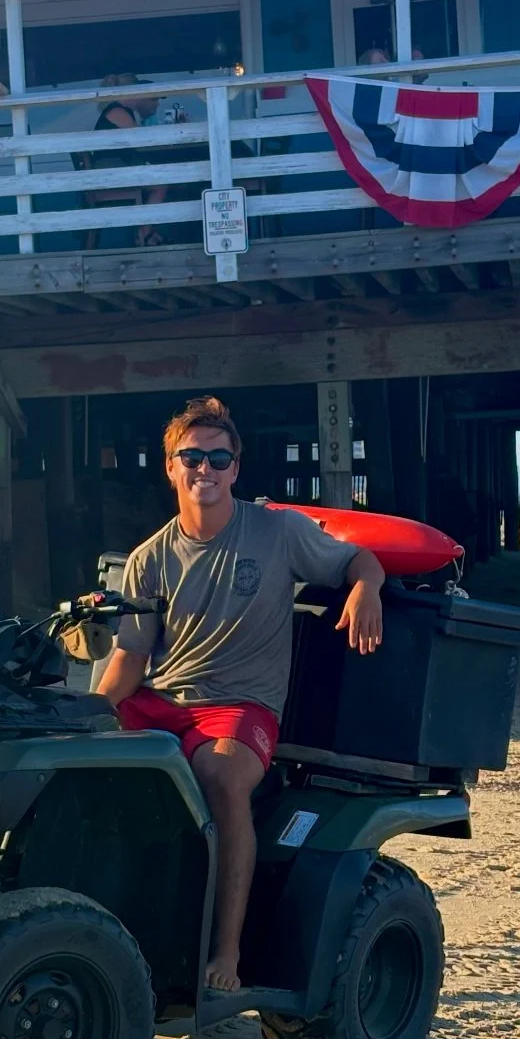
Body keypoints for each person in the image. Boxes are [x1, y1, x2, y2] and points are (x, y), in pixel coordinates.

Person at [96, 396, 386, 992]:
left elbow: (361, 559)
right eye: (192, 457)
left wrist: (366, 590)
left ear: (235, 467)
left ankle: (224, 953)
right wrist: (85, 718)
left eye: (218, 458)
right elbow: (129, 660)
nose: (205, 469)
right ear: (171, 467)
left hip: (239, 707)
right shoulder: (148, 558)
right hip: (164, 700)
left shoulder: (278, 531)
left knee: (222, 779)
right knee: (82, 772)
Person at [83, 74, 167, 247]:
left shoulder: (121, 111)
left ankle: (144, 232)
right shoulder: (118, 112)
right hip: (111, 174)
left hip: (115, 171)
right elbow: (142, 143)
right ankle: (145, 233)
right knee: (161, 185)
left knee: (158, 181)